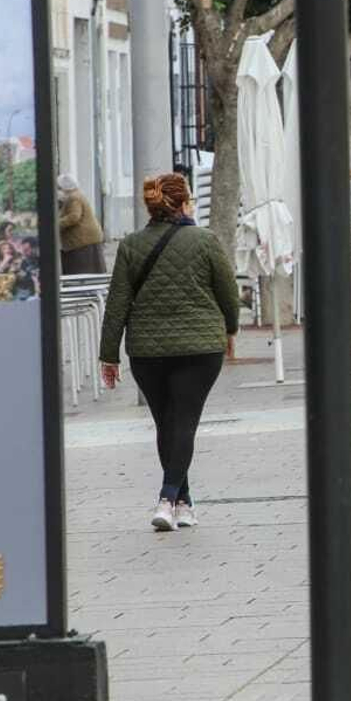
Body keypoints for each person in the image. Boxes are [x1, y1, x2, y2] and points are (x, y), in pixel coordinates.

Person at [98, 172, 239, 532]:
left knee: (167, 423)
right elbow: (228, 293)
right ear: (184, 202)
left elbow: (117, 303)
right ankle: (168, 496)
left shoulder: (130, 245)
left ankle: (183, 503)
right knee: (184, 421)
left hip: (147, 351)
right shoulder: (205, 240)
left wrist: (109, 355)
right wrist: (231, 328)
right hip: (200, 348)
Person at [57, 173, 106, 274]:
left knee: (81, 271)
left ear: (64, 187)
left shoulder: (73, 198)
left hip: (82, 241)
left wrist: (55, 225)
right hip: (87, 239)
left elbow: (74, 217)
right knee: (90, 270)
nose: (58, 191)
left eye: (59, 188)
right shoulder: (75, 195)